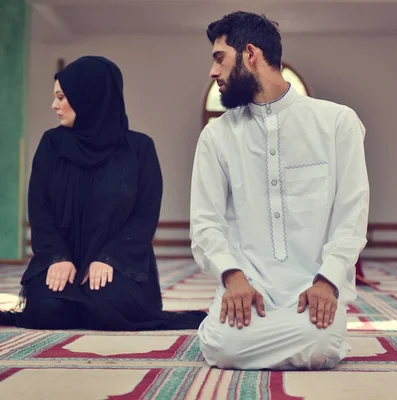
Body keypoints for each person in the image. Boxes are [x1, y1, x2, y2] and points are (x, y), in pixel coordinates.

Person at [190, 11, 369, 370]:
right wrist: (233, 276)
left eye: (219, 58)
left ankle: (304, 334)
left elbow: (351, 215)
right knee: (223, 347)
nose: (213, 72)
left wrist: (327, 280)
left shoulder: (337, 122)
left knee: (318, 345)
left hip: (313, 289)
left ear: (250, 54)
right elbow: (206, 223)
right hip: (248, 288)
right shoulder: (217, 135)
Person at [0, 56, 206, 331]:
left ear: (90, 97)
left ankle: (89, 300)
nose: (54, 106)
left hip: (119, 261)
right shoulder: (52, 144)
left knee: (109, 308)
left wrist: (109, 258)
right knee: (48, 310)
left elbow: (144, 215)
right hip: (61, 258)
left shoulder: (139, 149)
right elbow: (39, 208)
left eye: (62, 97)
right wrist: (57, 257)